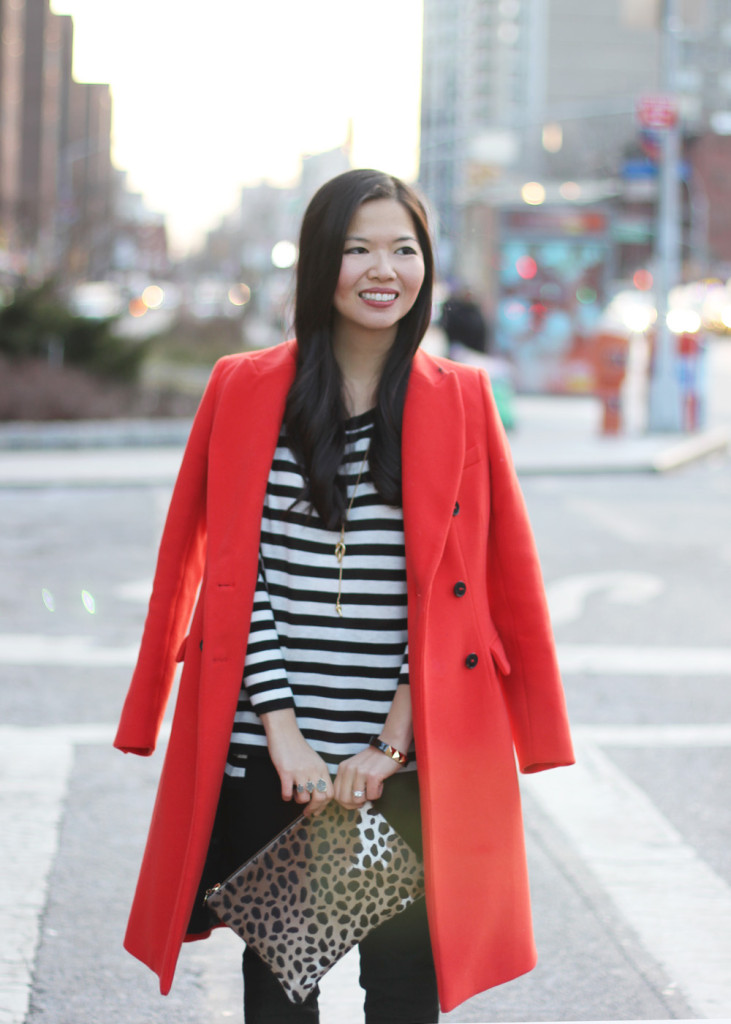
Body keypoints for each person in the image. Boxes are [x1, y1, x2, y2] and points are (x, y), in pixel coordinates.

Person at [114, 168, 574, 1023]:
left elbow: (478, 579)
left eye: (403, 249)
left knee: (403, 992)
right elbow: (227, 579)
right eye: (359, 247)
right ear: (322, 261)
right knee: (282, 989)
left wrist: (389, 745)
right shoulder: (245, 388)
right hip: (279, 759)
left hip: (408, 759)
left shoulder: (462, 399)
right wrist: (285, 736)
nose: (383, 268)